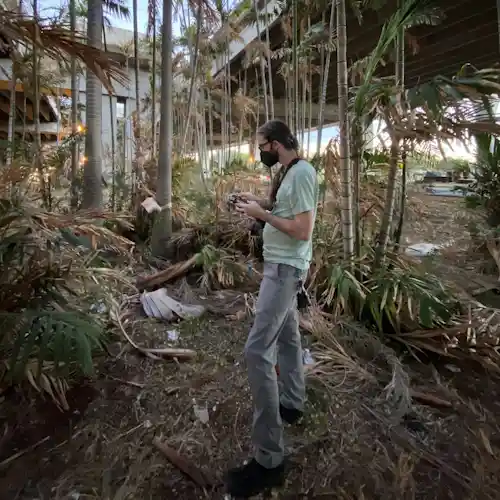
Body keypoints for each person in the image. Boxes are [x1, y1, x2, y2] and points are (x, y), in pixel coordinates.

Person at [226, 120, 319, 498]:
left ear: (277, 145)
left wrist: (262, 216)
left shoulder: (302, 173)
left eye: (261, 146)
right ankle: (292, 403)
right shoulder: (289, 173)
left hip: (284, 271)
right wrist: (256, 205)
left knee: (256, 350)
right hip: (280, 267)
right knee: (288, 338)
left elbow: (302, 229)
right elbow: (284, 210)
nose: (258, 152)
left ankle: (269, 459)